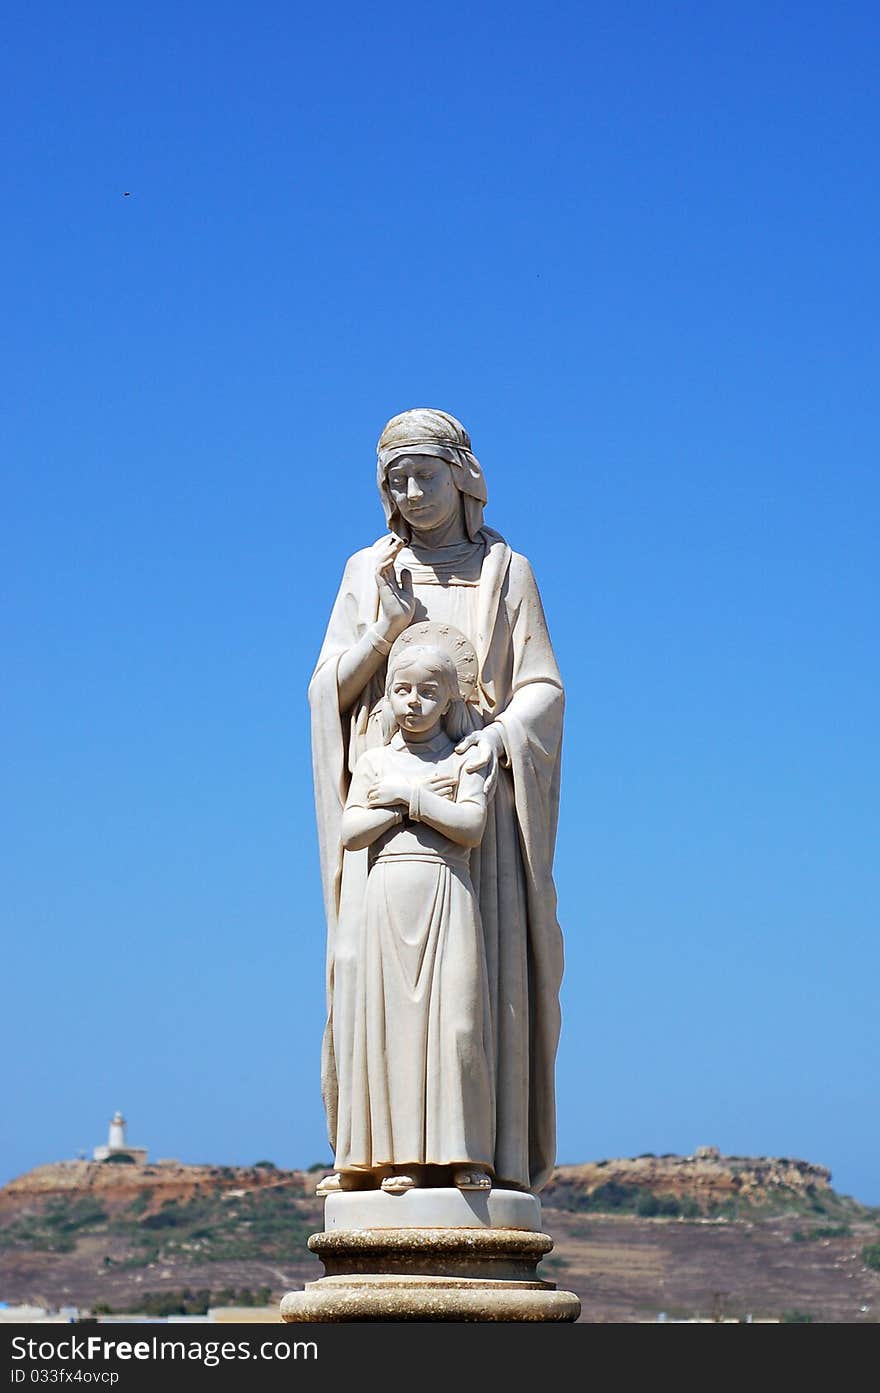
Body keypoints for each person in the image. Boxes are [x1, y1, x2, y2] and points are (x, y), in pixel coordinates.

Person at [309, 407, 564, 1194]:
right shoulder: (368, 572)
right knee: (365, 982)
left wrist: (496, 738)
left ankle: (473, 1154)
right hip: (385, 825)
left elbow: (542, 688)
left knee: (469, 1010)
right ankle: (378, 1154)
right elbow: (327, 694)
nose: (413, 492)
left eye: (425, 474)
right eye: (397, 480)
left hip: (475, 829)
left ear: (463, 474)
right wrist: (381, 636)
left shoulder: (505, 572)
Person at [334, 635, 495, 1195]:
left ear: (449, 700)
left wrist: (403, 798)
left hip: (447, 893)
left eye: (429, 692)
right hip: (388, 895)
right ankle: (399, 1156)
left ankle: (463, 1153)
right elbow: (351, 833)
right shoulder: (374, 760)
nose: (413, 702)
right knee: (395, 1033)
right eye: (403, 690)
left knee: (458, 1028)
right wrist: (416, 798)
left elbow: (471, 827)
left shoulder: (465, 756)